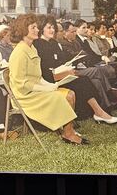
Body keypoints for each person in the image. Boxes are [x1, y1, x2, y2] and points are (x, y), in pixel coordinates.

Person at [7, 14, 84, 145]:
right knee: (64, 96)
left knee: (70, 94)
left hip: (34, 91)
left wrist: (50, 85)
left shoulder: (31, 48)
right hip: (25, 97)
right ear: (23, 30)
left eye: (36, 27)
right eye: (33, 27)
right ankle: (69, 133)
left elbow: (38, 77)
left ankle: (68, 131)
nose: (37, 30)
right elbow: (22, 85)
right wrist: (47, 88)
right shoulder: (19, 53)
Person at [34, 16, 117, 123]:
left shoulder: (53, 43)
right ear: (42, 28)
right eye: (49, 28)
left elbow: (60, 61)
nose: (52, 30)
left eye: (53, 28)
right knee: (83, 80)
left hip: (61, 73)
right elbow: (45, 67)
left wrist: (66, 66)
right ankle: (99, 112)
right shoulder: (38, 44)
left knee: (91, 80)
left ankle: (99, 111)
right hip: (50, 78)